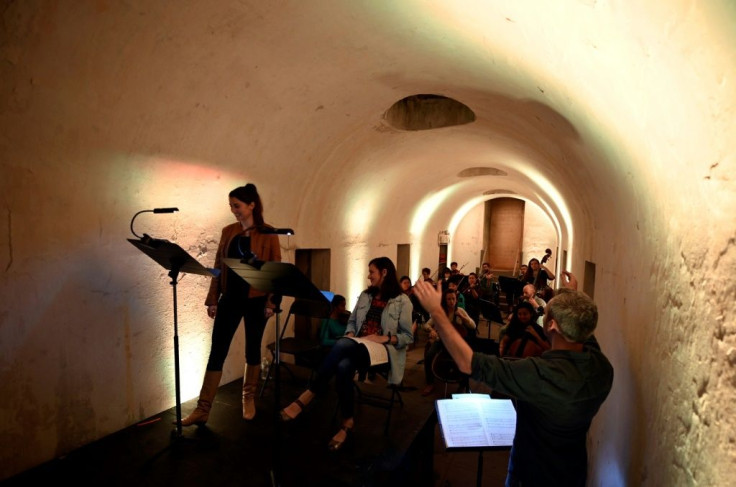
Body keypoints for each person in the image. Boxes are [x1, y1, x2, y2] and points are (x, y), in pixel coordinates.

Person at [412, 271, 613, 487]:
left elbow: (468, 363)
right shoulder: (601, 367)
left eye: (545, 313)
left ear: (552, 325)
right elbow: (582, 328)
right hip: (573, 471)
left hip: (530, 474)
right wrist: (572, 296)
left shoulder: (538, 374)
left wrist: (436, 312)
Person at [279, 257, 414, 451]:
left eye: (372, 272)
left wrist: (384, 339)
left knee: (342, 346)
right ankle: (347, 422)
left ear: (384, 273)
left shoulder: (402, 301)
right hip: (358, 345)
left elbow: (408, 336)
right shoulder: (366, 295)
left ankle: (310, 393)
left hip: (383, 352)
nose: (369, 276)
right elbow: (351, 321)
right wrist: (351, 333)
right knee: (343, 366)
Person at [181, 183, 282, 426]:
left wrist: (271, 302)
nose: (233, 210)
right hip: (231, 298)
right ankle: (203, 409)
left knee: (252, 349)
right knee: (217, 351)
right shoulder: (228, 231)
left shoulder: (269, 233)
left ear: (251, 205)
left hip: (257, 300)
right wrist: (213, 299)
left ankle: (248, 398)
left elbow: (275, 269)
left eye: (236, 206)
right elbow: (218, 265)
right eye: (231, 206)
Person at [421, 289, 476, 396]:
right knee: (429, 356)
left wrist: (463, 317)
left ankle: (463, 384)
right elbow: (426, 325)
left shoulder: (460, 310)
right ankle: (430, 383)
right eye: (449, 299)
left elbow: (473, 326)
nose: (451, 301)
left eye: (453, 299)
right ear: (445, 300)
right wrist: (431, 330)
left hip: (457, 343)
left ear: (456, 300)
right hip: (441, 341)